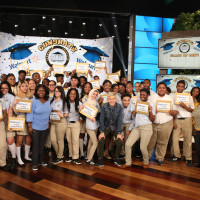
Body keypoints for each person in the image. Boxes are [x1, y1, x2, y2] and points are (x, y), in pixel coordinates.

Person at [124, 88, 155, 168]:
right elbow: (134, 119)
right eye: (141, 94)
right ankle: (128, 163)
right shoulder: (137, 104)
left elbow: (153, 119)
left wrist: (150, 111)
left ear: (148, 95)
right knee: (128, 144)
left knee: (142, 147)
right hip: (136, 128)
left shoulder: (151, 105)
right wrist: (130, 129)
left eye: (144, 95)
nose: (142, 96)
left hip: (146, 128)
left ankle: (146, 161)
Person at [148, 82, 178, 165]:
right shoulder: (151, 98)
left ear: (165, 89)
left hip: (166, 123)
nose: (161, 89)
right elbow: (146, 110)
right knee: (150, 142)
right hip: (153, 123)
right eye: (160, 87)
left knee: (163, 142)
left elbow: (176, 111)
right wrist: (152, 111)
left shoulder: (170, 98)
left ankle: (159, 158)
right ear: (157, 89)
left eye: (163, 88)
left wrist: (173, 112)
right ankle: (147, 157)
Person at [169, 80, 194, 167]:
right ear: (176, 86)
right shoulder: (172, 96)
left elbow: (191, 110)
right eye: (178, 86)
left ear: (184, 87)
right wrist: (173, 121)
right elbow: (170, 110)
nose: (180, 88)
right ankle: (177, 156)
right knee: (174, 139)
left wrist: (185, 107)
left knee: (188, 140)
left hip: (187, 119)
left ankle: (188, 158)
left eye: (182, 86)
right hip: (177, 120)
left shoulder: (189, 97)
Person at [26, 84, 51, 171]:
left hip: (45, 126)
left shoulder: (48, 100)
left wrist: (48, 123)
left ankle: (41, 161)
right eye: (39, 90)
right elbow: (30, 113)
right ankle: (34, 163)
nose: (41, 92)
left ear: (45, 92)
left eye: (43, 91)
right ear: (36, 91)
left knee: (42, 145)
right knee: (36, 145)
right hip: (35, 126)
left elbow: (48, 113)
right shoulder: (33, 101)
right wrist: (29, 126)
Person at [98, 92, 123, 167]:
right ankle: (100, 158)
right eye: (110, 99)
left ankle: (116, 158)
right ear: (107, 99)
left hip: (115, 128)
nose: (112, 100)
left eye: (113, 99)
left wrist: (119, 132)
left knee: (120, 141)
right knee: (101, 139)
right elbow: (101, 119)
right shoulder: (104, 106)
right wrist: (102, 131)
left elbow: (120, 120)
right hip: (106, 126)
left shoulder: (119, 107)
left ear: (115, 99)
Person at [12, 81, 32, 165]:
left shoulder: (30, 97)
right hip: (20, 119)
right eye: (23, 86)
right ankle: (19, 158)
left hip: (29, 120)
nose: (24, 88)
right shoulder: (16, 97)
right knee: (19, 140)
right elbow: (15, 112)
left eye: (26, 86)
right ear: (19, 88)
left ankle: (26, 156)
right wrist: (14, 104)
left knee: (28, 139)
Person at [80, 89, 100, 165]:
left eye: (96, 94)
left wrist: (95, 118)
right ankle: (89, 159)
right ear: (90, 93)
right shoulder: (85, 103)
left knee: (91, 142)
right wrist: (80, 110)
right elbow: (82, 115)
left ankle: (87, 156)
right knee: (95, 143)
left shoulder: (97, 103)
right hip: (89, 125)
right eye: (93, 94)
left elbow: (99, 114)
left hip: (96, 125)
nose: (94, 96)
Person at [65, 88, 82, 165]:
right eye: (71, 93)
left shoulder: (79, 103)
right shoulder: (65, 103)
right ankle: (70, 155)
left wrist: (80, 121)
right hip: (67, 124)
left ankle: (76, 157)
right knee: (69, 140)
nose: (72, 95)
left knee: (75, 140)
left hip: (76, 124)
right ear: (68, 94)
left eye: (74, 94)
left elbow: (83, 113)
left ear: (76, 95)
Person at [1, 81, 16, 169]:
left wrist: (10, 124)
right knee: (2, 142)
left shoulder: (12, 97)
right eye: (2, 88)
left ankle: (13, 158)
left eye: (6, 88)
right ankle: (4, 159)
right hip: (1, 119)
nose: (4, 90)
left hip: (9, 118)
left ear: (9, 88)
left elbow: (11, 111)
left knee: (10, 140)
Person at [50, 86, 67, 164]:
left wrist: (62, 115)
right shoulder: (52, 101)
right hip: (53, 122)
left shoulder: (64, 101)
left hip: (61, 122)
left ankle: (59, 157)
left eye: (59, 91)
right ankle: (59, 153)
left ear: (61, 93)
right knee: (53, 140)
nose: (57, 92)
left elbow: (67, 113)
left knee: (60, 140)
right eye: (55, 91)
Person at [79, 82, 93, 159]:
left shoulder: (94, 96)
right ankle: (81, 153)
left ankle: (88, 153)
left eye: (89, 87)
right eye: (85, 87)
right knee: (81, 134)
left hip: (91, 120)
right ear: (83, 88)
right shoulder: (80, 97)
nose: (87, 89)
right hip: (83, 119)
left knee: (89, 136)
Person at [120, 93, 135, 158]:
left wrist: (129, 130)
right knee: (120, 138)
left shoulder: (132, 106)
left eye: (128, 100)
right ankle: (121, 153)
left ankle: (127, 154)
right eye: (125, 100)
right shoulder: (119, 105)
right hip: (120, 123)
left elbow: (133, 120)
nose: (126, 102)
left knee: (128, 139)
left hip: (129, 123)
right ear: (122, 100)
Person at [0, 89, 10, 170]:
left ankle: (2, 163)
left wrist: (1, 119)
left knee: (2, 145)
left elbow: (4, 112)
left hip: (0, 123)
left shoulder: (2, 99)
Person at [192, 93, 200, 168]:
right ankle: (199, 162)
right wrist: (193, 128)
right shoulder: (196, 105)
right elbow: (192, 116)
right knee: (198, 148)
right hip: (197, 130)